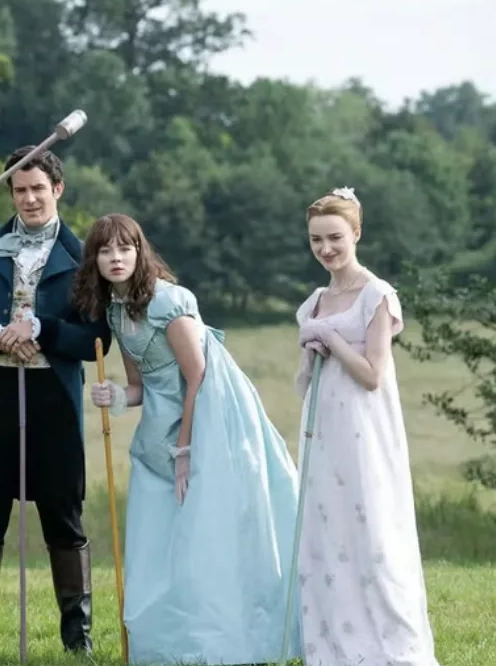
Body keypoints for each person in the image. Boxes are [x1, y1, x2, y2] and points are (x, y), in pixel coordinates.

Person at [80, 212, 302, 665]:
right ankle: (168, 642)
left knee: (207, 528)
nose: (116, 257)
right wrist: (116, 395)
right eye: (105, 250)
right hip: (160, 425)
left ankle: (224, 639)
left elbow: (197, 377)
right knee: (159, 533)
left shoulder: (168, 302)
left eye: (125, 248)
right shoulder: (117, 313)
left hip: (209, 417)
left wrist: (185, 450)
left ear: (140, 252)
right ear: (95, 260)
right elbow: (142, 386)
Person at [0, 146, 111, 659]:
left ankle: (77, 637)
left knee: (64, 517)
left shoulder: (83, 257)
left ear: (57, 189)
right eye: (20, 190)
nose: (30, 198)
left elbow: (96, 339)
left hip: (53, 399)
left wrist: (43, 330)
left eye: (39, 188)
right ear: (10, 194)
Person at [294, 187, 440, 666]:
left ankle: (389, 644)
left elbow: (373, 375)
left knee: (373, 531)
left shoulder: (377, 295)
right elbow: (303, 382)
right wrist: (310, 348)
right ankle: (333, 643)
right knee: (327, 530)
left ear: (356, 233)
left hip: (364, 431)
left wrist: (331, 338)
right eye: (317, 240)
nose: (326, 249)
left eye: (335, 237)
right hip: (322, 428)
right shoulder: (315, 301)